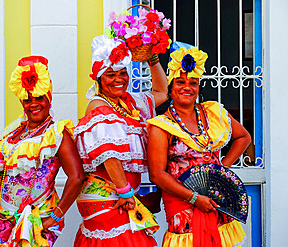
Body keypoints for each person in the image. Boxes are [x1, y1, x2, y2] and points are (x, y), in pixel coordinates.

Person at [0, 56, 85, 247]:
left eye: (39, 98)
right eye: (27, 99)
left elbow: (77, 176)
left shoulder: (56, 134)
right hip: (6, 218)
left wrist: (56, 216)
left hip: (35, 220)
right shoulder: (13, 131)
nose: (33, 104)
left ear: (49, 99)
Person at [147, 45, 251, 246]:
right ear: (170, 87)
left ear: (199, 87)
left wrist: (222, 169)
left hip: (214, 198)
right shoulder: (161, 126)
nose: (187, 87)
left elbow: (243, 137)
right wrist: (194, 198)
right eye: (180, 82)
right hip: (181, 201)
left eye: (193, 83)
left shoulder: (213, 113)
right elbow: (157, 175)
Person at [73, 35, 168, 246]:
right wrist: (125, 192)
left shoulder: (129, 103)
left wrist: (152, 58)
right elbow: (109, 154)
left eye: (122, 73)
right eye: (110, 74)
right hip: (110, 198)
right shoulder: (99, 105)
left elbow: (162, 92)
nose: (119, 79)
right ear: (98, 78)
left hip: (120, 195)